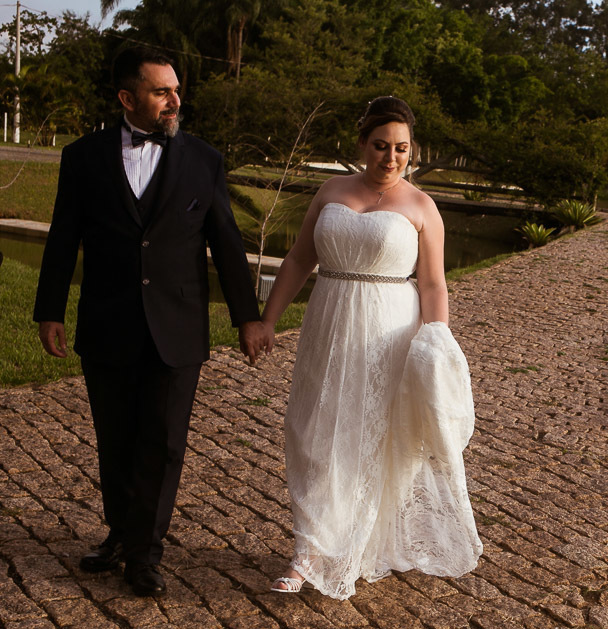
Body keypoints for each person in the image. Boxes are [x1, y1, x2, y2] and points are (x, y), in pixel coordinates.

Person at [34, 46, 272, 596]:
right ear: (127, 98)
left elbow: (227, 246)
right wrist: (50, 309)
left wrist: (248, 318)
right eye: (161, 91)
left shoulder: (204, 160)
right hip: (107, 321)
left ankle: (145, 553)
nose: (174, 100)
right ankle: (120, 533)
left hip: (178, 326)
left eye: (176, 90)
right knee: (115, 437)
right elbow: (64, 236)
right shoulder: (83, 157)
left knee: (163, 443)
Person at [261, 96, 480, 599]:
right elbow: (297, 261)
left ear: (411, 150)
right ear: (362, 144)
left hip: (391, 332)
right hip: (328, 324)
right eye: (381, 146)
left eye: (401, 148)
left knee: (374, 436)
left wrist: (436, 341)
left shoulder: (422, 206)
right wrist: (268, 319)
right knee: (313, 431)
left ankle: (343, 547)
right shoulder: (330, 191)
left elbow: (432, 286)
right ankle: (309, 549)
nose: (391, 158)